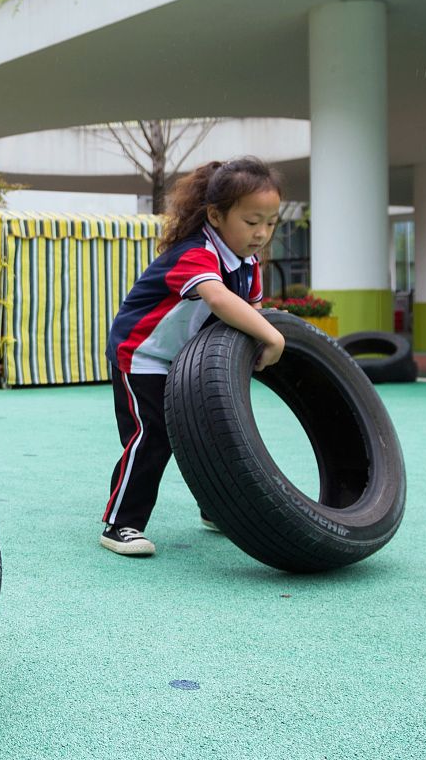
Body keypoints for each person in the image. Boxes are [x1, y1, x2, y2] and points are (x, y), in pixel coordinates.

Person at [100, 157, 286, 556]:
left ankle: (212, 508)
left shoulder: (249, 265)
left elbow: (249, 314)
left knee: (213, 431)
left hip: (190, 362)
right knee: (152, 436)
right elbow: (218, 299)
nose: (262, 233)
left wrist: (266, 334)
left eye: (271, 223)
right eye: (252, 222)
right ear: (216, 215)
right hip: (143, 354)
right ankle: (122, 523)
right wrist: (272, 335)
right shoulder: (196, 253)